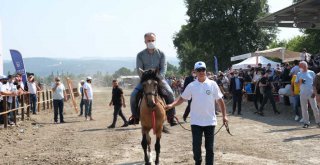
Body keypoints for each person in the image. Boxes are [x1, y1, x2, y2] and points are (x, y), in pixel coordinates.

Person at [165, 61, 228, 165]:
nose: (201, 72)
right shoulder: (191, 86)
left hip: (210, 122)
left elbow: (220, 100)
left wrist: (224, 116)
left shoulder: (213, 84)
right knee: (196, 148)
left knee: (209, 148)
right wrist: (172, 105)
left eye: (203, 69)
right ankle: (197, 162)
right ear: (195, 72)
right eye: (199, 70)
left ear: (205, 70)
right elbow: (182, 98)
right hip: (196, 122)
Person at [128, 32, 177, 126]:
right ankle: (135, 116)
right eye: (149, 40)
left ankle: (171, 117)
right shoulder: (140, 55)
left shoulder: (161, 54)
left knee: (170, 93)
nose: (151, 42)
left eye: (152, 40)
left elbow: (163, 69)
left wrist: (158, 78)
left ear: (155, 41)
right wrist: (146, 78)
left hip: (159, 80)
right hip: (145, 80)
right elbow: (139, 70)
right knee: (133, 95)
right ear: (145, 41)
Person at [295, 61, 320, 128]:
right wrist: (300, 81)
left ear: (305, 66)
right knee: (304, 108)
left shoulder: (311, 72)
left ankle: (318, 122)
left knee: (315, 108)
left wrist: (315, 92)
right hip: (302, 93)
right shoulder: (298, 73)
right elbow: (296, 83)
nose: (299, 67)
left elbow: (316, 83)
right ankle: (306, 123)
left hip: (311, 93)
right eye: (299, 66)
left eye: (300, 66)